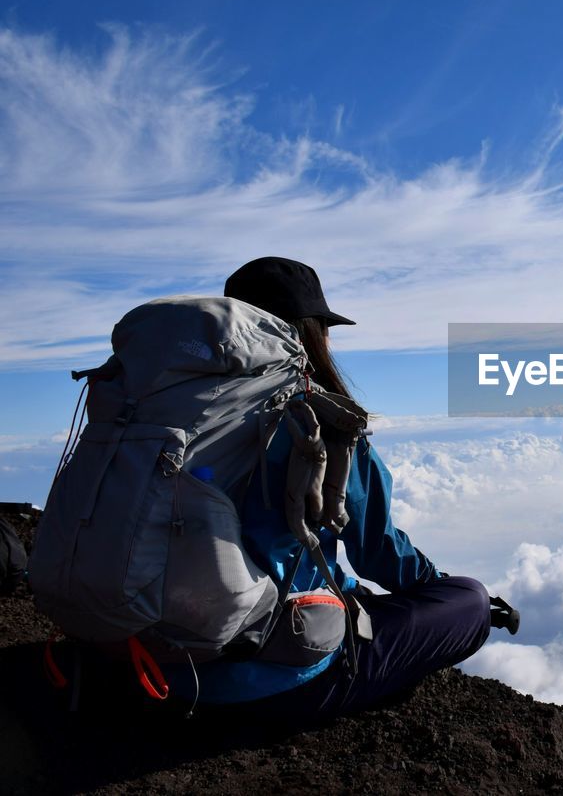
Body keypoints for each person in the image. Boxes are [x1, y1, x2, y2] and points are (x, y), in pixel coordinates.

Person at [163, 256, 493, 717]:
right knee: (469, 603)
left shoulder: (166, 418)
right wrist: (437, 585)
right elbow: (378, 551)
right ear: (310, 333)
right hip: (264, 682)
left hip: (152, 658)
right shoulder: (319, 421)